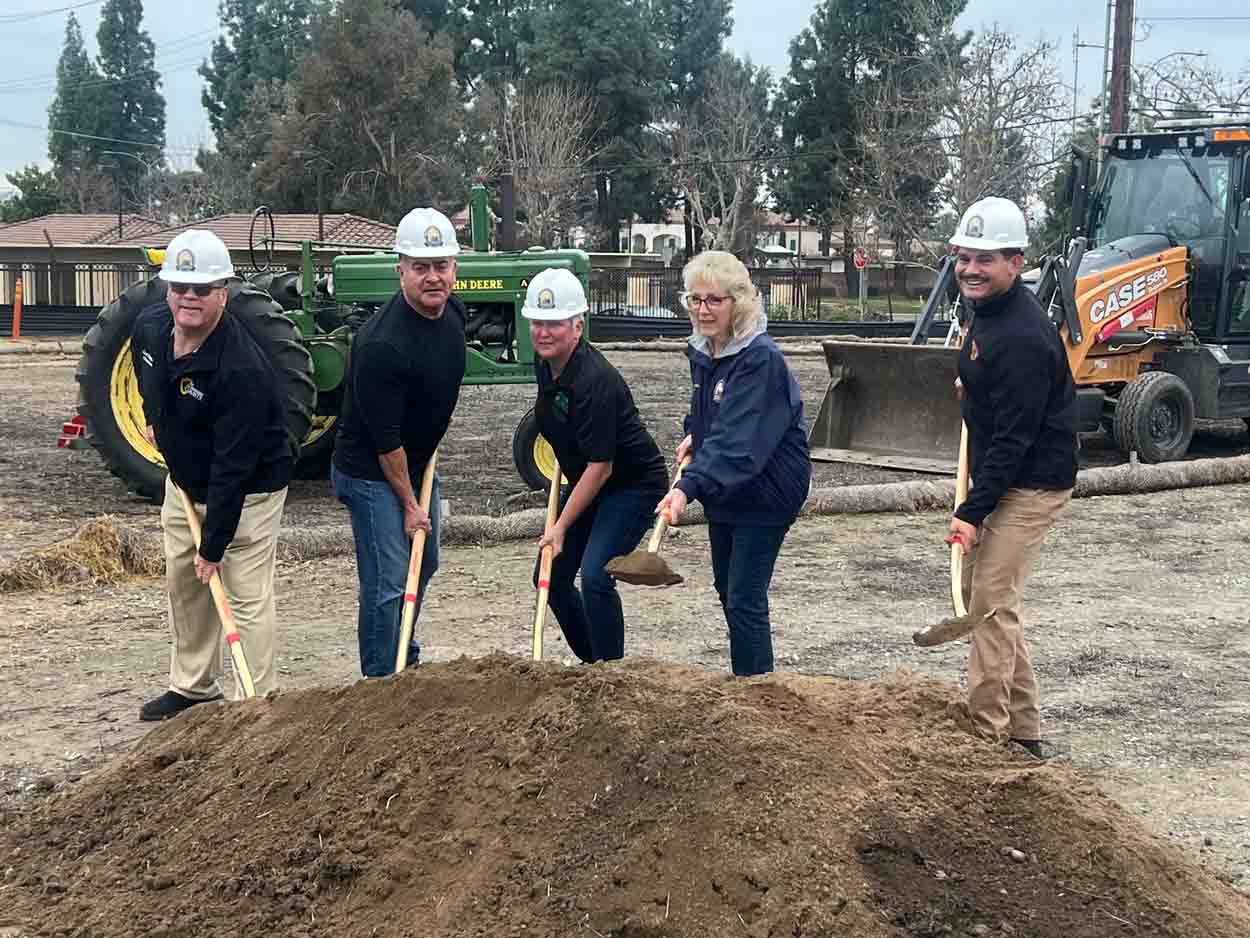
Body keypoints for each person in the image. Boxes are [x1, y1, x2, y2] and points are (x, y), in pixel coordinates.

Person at [132, 230, 294, 721]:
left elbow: (234, 468)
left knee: (243, 592)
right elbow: (150, 381)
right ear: (167, 289)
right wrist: (157, 421)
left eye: (202, 289)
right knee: (184, 582)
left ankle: (255, 699)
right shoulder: (150, 328)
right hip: (184, 480)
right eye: (180, 286)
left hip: (249, 489)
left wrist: (214, 545)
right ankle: (193, 685)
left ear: (223, 292)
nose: (189, 297)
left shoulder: (241, 369)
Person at [946, 196, 1078, 757]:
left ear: (1016, 263)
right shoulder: (987, 313)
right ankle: (1024, 732)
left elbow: (1014, 439)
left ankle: (988, 736)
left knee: (989, 605)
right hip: (1004, 471)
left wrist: (971, 512)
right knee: (994, 601)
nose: (971, 269)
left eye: (987, 259)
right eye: (964, 257)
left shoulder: (1022, 336)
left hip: (1032, 482)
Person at [656, 250, 810, 677]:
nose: (702, 309)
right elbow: (710, 415)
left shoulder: (758, 358)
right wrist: (695, 433)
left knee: (744, 596)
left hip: (767, 488)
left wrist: (687, 488)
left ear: (737, 302)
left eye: (714, 300)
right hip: (729, 485)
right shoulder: (709, 350)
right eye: (695, 299)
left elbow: (740, 443)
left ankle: (758, 690)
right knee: (728, 589)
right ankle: (751, 681)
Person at [331, 207, 466, 676]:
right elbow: (385, 442)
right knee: (389, 578)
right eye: (420, 267)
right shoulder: (380, 345)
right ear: (401, 271)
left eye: (441, 265)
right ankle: (380, 678)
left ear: (455, 268)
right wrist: (411, 505)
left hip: (418, 460)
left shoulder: (454, 315)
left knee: (423, 563)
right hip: (372, 470)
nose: (433, 277)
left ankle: (403, 651)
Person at [525, 267, 669, 663]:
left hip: (632, 485)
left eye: (554, 323)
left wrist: (559, 527)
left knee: (595, 577)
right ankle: (592, 663)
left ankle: (612, 674)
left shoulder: (595, 381)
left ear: (577, 325)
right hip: (592, 479)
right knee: (549, 577)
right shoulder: (547, 365)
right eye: (537, 322)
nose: (544, 332)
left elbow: (600, 467)